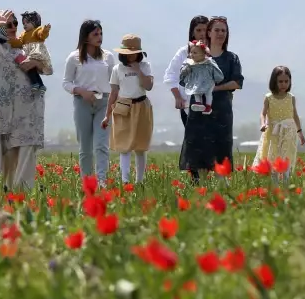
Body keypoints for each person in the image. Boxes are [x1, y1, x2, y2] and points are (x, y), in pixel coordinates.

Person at [0, 9, 49, 190]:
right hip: (1, 111)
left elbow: (47, 67)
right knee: (0, 159)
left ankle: (22, 198)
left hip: (28, 110)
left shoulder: (26, 45)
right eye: (7, 25)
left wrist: (35, 63)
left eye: (15, 23)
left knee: (25, 154)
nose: (13, 28)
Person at [178, 16, 244, 181]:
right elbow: (183, 79)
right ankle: (199, 191)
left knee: (221, 151)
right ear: (209, 32)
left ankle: (222, 189)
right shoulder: (196, 55)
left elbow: (236, 82)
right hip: (198, 112)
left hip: (222, 111)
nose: (220, 33)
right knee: (199, 152)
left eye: (224, 30)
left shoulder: (231, 58)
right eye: (217, 30)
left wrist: (214, 88)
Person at [62, 19, 118, 182]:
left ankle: (101, 182)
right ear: (86, 37)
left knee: (101, 145)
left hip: (104, 103)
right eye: (95, 34)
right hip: (82, 103)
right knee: (85, 147)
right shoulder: (73, 58)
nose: (99, 37)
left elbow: (114, 83)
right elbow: (66, 82)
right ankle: (87, 182)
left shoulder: (108, 57)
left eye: (100, 33)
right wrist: (81, 91)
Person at [102, 34, 154, 184]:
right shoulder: (117, 69)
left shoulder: (145, 66)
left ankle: (139, 181)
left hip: (141, 107)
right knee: (124, 147)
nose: (131, 57)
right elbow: (113, 93)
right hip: (123, 108)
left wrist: (138, 70)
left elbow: (148, 86)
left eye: (133, 54)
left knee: (140, 146)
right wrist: (107, 115)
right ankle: (125, 181)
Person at [253, 65, 305, 182]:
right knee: (273, 156)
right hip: (273, 131)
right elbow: (263, 113)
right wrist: (263, 124)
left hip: (288, 131)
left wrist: (300, 132)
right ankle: (275, 184)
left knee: (286, 156)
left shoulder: (291, 98)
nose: (283, 84)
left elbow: (295, 115)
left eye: (286, 81)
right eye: (280, 81)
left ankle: (286, 182)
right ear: (274, 82)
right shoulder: (269, 98)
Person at [163, 15, 210, 126]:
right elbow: (171, 75)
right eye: (199, 30)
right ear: (193, 32)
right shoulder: (183, 52)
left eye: (206, 30)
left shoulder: (215, 52)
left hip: (212, 105)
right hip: (189, 105)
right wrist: (178, 97)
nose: (202, 33)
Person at [8, 11, 52, 92]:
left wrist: (45, 30)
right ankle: (39, 84)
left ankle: (37, 84)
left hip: (36, 52)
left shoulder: (36, 30)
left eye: (27, 22)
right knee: (30, 68)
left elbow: (41, 34)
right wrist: (10, 41)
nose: (25, 24)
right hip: (29, 54)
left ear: (35, 23)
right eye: (23, 23)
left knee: (27, 65)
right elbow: (19, 42)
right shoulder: (23, 34)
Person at [179, 41, 222, 114]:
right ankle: (198, 103)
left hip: (207, 81)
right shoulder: (189, 63)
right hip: (196, 81)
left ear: (203, 54)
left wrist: (217, 78)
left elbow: (216, 70)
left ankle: (208, 107)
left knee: (208, 93)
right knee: (196, 92)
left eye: (195, 53)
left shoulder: (209, 62)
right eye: (191, 52)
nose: (192, 54)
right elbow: (182, 71)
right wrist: (186, 69)